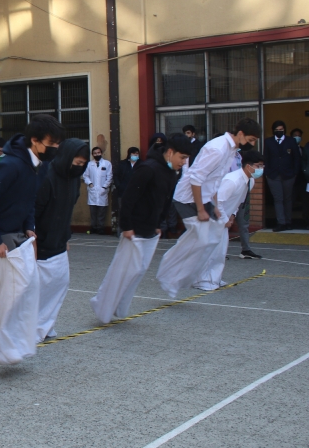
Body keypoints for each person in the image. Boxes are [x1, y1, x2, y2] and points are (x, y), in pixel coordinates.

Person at [0, 115, 64, 365]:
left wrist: (29, 226)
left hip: (14, 229)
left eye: (58, 144)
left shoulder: (39, 165)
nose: (55, 149)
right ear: (34, 141)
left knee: (28, 285)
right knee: (12, 290)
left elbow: (29, 199)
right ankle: (2, 348)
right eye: (51, 144)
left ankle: (17, 342)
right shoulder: (11, 164)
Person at [90, 136, 191, 324]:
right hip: (134, 230)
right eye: (182, 157)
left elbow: (165, 201)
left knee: (138, 271)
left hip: (150, 229)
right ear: (170, 152)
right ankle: (102, 306)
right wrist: (126, 226)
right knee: (122, 270)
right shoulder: (147, 169)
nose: (184, 162)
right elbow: (128, 198)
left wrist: (159, 224)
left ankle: (120, 308)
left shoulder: (171, 173)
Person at [158, 118, 261, 298]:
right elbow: (196, 179)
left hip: (204, 198)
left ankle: (198, 277)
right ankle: (170, 274)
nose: (251, 144)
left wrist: (215, 205)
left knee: (214, 238)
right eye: (250, 140)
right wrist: (200, 209)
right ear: (241, 134)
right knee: (200, 239)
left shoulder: (231, 150)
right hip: (187, 198)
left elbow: (214, 180)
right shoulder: (218, 148)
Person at [35, 139, 90, 341]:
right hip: (40, 241)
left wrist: (65, 236)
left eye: (83, 164)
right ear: (67, 158)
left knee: (60, 282)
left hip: (59, 238)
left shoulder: (74, 179)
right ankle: (33, 327)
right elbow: (35, 211)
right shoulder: (47, 177)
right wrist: (32, 241)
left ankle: (45, 323)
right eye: (76, 163)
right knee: (41, 287)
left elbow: (67, 210)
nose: (79, 168)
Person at [193, 150, 265, 291]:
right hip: (213, 217)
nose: (260, 169)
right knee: (210, 250)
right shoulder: (232, 180)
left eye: (262, 166)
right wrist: (224, 218)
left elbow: (238, 201)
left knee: (220, 252)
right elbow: (217, 200)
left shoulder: (250, 181)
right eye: (258, 165)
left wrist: (232, 215)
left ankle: (214, 278)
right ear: (248, 165)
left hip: (224, 218)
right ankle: (201, 280)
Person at [264, 121, 301, 231]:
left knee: (287, 199)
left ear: (284, 129)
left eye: (281, 129)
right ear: (273, 130)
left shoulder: (291, 141)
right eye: (277, 129)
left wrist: (295, 173)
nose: (279, 131)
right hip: (273, 175)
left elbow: (297, 158)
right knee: (278, 199)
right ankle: (281, 223)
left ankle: (288, 222)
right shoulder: (268, 142)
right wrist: (267, 173)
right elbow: (266, 158)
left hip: (289, 175)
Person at [83, 146, 113, 234]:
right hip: (92, 190)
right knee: (93, 211)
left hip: (103, 190)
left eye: (98, 153)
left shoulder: (107, 164)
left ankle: (100, 228)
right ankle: (93, 227)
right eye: (95, 153)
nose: (97, 154)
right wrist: (90, 184)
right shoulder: (89, 164)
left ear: (101, 153)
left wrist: (104, 187)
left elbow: (109, 176)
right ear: (92, 154)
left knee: (101, 212)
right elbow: (85, 176)